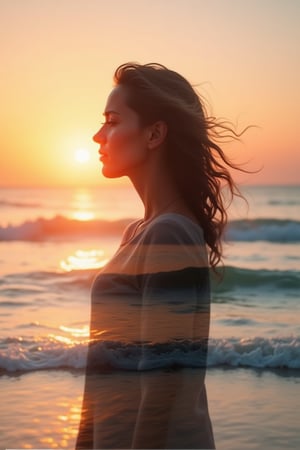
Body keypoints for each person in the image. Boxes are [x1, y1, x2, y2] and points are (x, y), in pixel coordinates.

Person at [76, 62, 245, 449]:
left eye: (112, 121)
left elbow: (163, 387)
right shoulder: (138, 233)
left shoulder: (170, 233)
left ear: (154, 134)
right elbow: (100, 373)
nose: (98, 135)